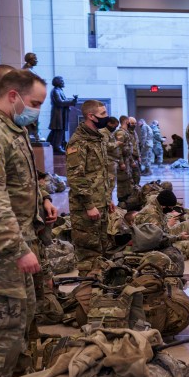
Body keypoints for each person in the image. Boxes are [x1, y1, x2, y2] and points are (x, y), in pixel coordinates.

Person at [0, 70, 57, 377]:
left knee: (26, 313)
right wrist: (18, 249)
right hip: (1, 250)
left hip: (21, 238)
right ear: (13, 96)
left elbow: (24, 178)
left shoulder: (13, 128)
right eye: (35, 103)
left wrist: (43, 201)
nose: (37, 110)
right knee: (5, 324)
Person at [66, 99, 114, 275]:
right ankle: (87, 293)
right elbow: (76, 177)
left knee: (102, 248)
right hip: (85, 207)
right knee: (88, 254)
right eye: (102, 114)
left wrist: (108, 199)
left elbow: (101, 172)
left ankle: (100, 292)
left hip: (100, 202)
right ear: (90, 116)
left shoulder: (97, 138)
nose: (106, 117)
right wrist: (89, 205)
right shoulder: (78, 142)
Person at [47, 76, 77, 155]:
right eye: (62, 81)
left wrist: (72, 101)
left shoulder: (60, 90)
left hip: (62, 113)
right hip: (58, 114)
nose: (63, 82)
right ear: (57, 82)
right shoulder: (55, 91)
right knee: (58, 130)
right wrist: (71, 102)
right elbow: (60, 102)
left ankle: (53, 144)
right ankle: (57, 147)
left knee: (58, 130)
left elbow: (64, 100)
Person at [114, 116, 135, 202]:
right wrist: (121, 163)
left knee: (128, 182)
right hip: (122, 162)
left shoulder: (126, 132)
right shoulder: (121, 133)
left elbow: (128, 149)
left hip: (127, 161)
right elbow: (118, 149)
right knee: (122, 183)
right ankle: (122, 202)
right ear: (126, 121)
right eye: (130, 122)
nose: (132, 124)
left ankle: (128, 200)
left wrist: (132, 161)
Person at [100, 116, 120, 194]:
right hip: (108, 161)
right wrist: (116, 143)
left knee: (111, 184)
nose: (115, 128)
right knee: (109, 184)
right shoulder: (103, 132)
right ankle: (107, 203)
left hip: (112, 160)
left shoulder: (110, 133)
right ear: (109, 123)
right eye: (114, 126)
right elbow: (105, 146)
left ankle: (109, 202)